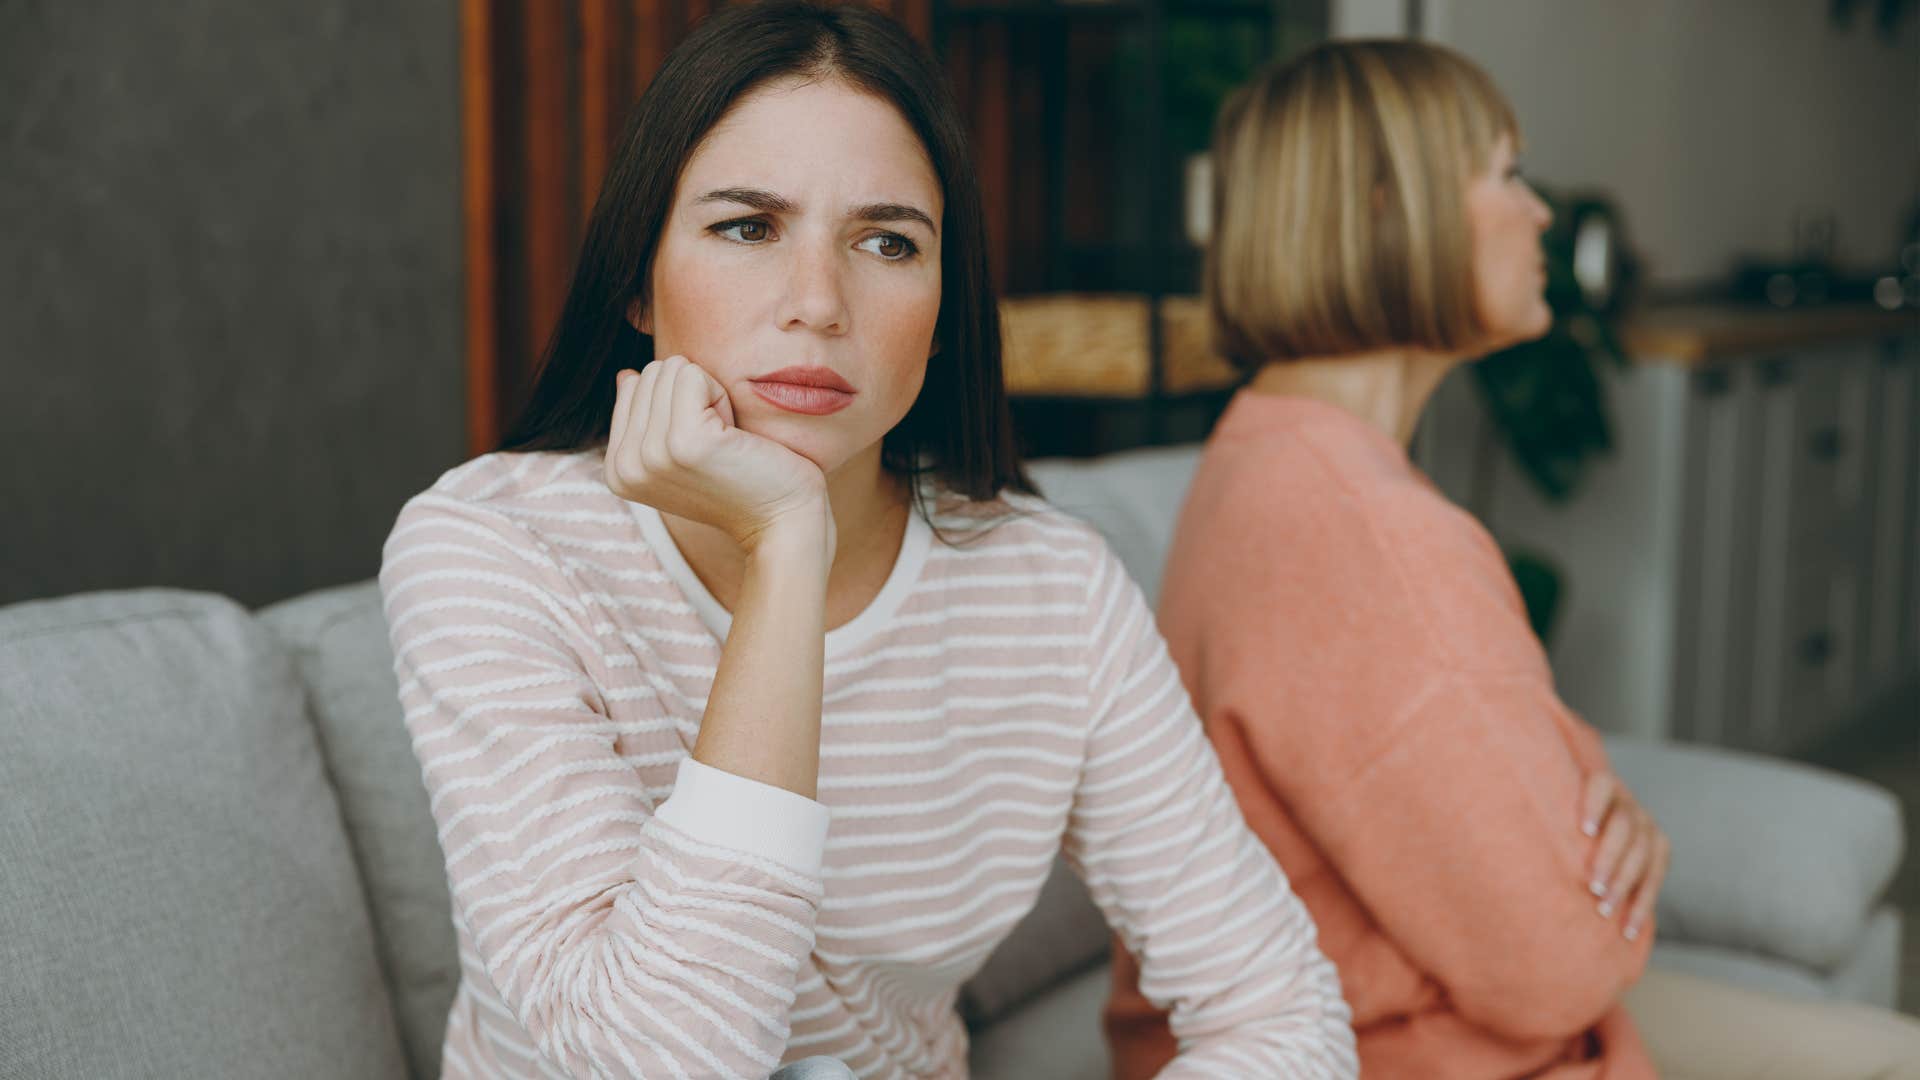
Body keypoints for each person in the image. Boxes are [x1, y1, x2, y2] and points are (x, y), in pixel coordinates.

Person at [378, 3, 1357, 1077]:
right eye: (747, 227)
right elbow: (653, 1064)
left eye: (887, 241)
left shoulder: (1053, 590)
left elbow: (1280, 1015)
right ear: (637, 285)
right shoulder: (495, 551)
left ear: (942, 314)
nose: (818, 302)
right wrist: (787, 549)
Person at [1102, 39, 1920, 1080]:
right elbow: (1562, 965)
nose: (1543, 213)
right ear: (1390, 211)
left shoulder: (1265, 446)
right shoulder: (1379, 538)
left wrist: (1590, 792)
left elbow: (1485, 770)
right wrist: (1598, 815)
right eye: (1506, 173)